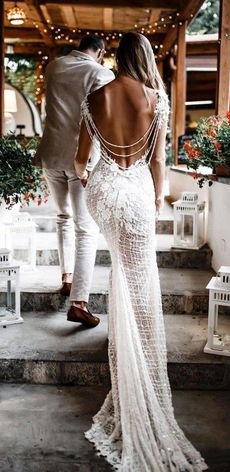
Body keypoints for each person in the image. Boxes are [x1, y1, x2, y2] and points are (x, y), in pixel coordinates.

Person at [74, 32, 209, 471]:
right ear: (146, 58)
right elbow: (155, 162)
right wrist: (152, 202)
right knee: (139, 278)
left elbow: (81, 159)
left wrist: (90, 180)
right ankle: (144, 369)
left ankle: (125, 349)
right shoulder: (155, 97)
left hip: (102, 191)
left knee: (119, 274)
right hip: (134, 194)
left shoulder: (96, 96)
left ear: (117, 57)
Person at [36, 34, 115, 326]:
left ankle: (67, 277)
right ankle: (79, 302)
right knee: (86, 228)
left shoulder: (53, 67)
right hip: (81, 159)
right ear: (99, 52)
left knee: (62, 217)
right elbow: (103, 119)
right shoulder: (100, 73)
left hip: (50, 154)